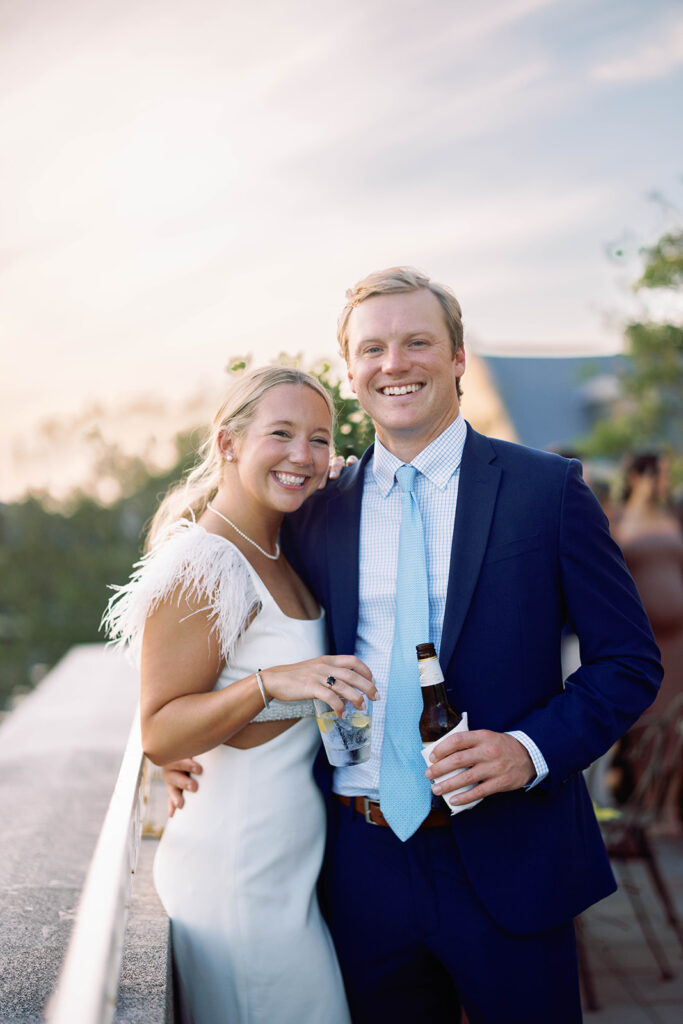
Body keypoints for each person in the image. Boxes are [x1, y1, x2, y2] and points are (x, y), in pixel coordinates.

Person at [167, 268, 661, 1024]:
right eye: (372, 349)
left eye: (417, 342)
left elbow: (627, 662)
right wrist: (171, 743)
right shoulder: (316, 504)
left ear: (458, 357)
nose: (393, 364)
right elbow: (213, 598)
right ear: (354, 371)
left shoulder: (547, 489)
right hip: (355, 861)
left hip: (510, 851)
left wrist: (527, 749)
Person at [103, 366, 377, 1024]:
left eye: (319, 439)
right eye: (280, 434)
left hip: (285, 872)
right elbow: (161, 731)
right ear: (226, 443)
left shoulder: (281, 547)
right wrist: (269, 684)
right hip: (237, 877)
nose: (302, 455)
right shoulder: (204, 561)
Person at [612, 451, 683, 833]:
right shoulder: (617, 521)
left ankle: (672, 809)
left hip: (681, 641)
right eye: (662, 474)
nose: (667, 482)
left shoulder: (673, 517)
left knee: (678, 723)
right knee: (649, 722)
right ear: (641, 477)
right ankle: (651, 805)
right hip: (645, 641)